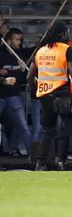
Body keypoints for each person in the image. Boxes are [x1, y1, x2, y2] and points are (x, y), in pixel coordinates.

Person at [26, 21, 72, 171]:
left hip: (45, 96)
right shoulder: (67, 50)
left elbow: (29, 78)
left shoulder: (41, 51)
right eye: (67, 32)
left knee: (48, 131)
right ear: (63, 34)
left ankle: (41, 164)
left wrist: (36, 91)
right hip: (63, 95)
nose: (69, 34)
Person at [0, 28, 31, 157]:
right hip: (0, 95)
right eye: (16, 39)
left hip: (14, 95)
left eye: (20, 39)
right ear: (8, 40)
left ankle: (33, 155)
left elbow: (24, 80)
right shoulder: (0, 54)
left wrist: (24, 70)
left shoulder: (21, 55)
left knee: (22, 126)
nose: (19, 42)